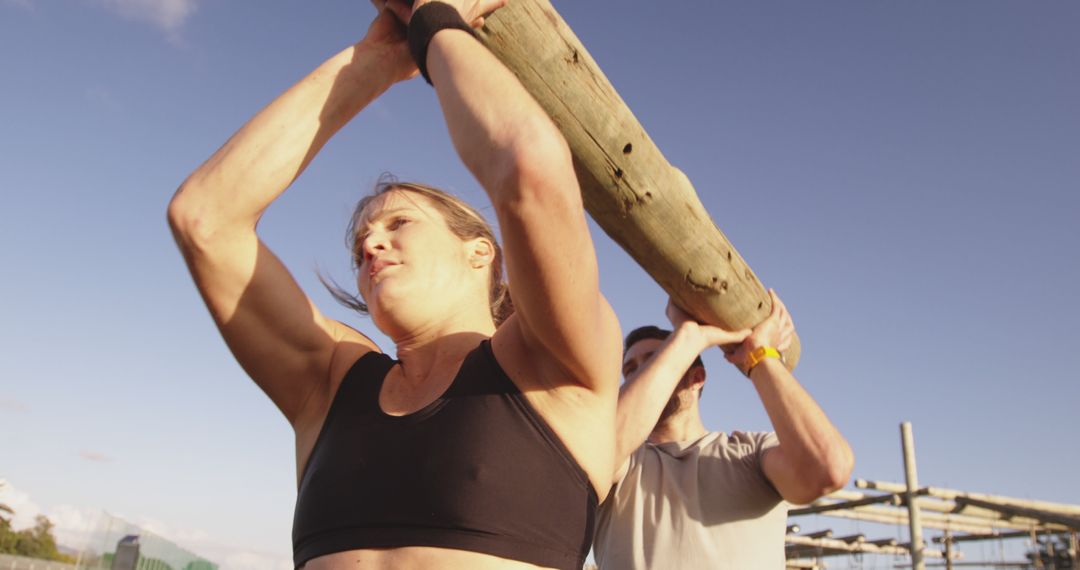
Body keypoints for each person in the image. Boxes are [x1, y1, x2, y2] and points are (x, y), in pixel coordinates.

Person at [167, 1, 622, 569]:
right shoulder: (331, 382)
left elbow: (528, 166)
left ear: (481, 252)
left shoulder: (550, 361)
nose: (370, 244)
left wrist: (436, 22)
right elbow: (204, 218)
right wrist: (376, 61)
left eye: (398, 224)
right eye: (362, 240)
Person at [593, 290, 854, 569]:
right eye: (630, 370)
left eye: (654, 358)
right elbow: (601, 445)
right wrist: (687, 336)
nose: (639, 374)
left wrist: (760, 355)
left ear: (697, 378)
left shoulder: (750, 453)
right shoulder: (621, 463)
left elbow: (828, 468)